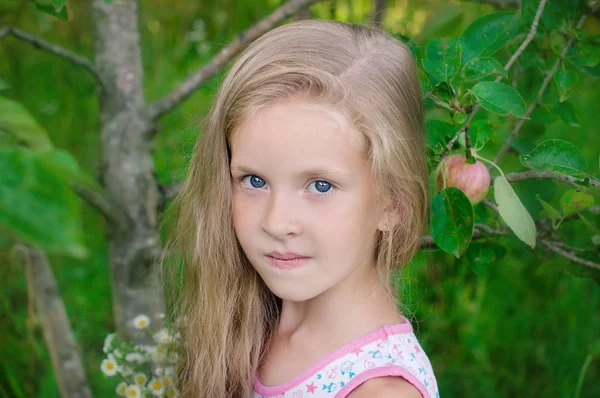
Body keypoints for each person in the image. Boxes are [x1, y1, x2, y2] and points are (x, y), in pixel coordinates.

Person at [166, 18, 439, 398]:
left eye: (320, 186)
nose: (277, 223)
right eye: (254, 181)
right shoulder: (253, 323)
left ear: (392, 201)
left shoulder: (381, 391)